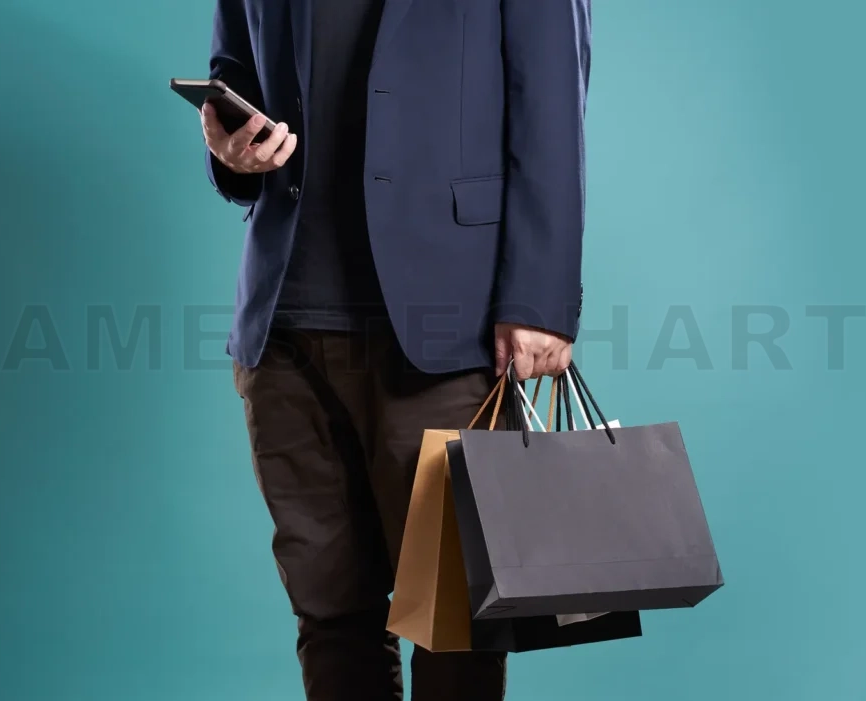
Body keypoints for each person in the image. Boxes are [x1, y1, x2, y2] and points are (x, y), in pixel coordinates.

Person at [199, 1, 591, 699]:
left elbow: (552, 95)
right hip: (286, 324)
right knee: (330, 617)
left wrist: (539, 297)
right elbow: (235, 69)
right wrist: (230, 151)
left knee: (457, 624)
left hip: (449, 325)